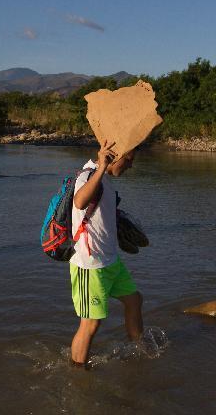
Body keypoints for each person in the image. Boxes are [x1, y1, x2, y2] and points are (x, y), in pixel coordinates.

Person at [69, 138, 143, 367]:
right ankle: (78, 373)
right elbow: (80, 201)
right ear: (115, 156)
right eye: (128, 160)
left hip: (110, 262)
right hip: (89, 265)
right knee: (91, 323)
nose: (130, 165)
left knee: (134, 300)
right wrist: (102, 166)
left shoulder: (105, 181)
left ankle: (139, 351)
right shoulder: (90, 175)